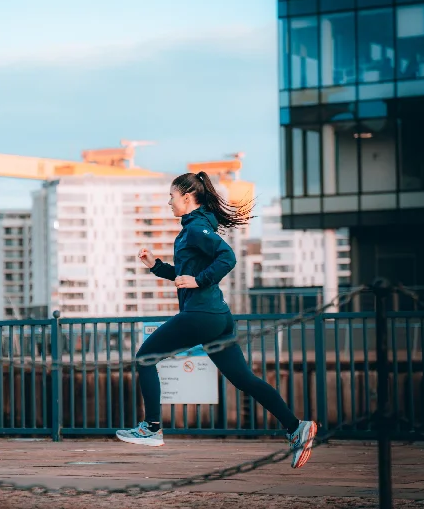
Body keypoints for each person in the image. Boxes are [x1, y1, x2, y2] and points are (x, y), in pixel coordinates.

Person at [115, 172, 317, 470]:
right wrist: (156, 267)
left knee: (146, 357)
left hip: (201, 314)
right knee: (243, 379)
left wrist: (199, 280)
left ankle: (151, 427)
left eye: (171, 196)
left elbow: (228, 258)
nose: (168, 202)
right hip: (217, 317)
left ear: (187, 197)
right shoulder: (193, 229)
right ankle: (295, 426)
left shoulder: (196, 228)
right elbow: (185, 276)